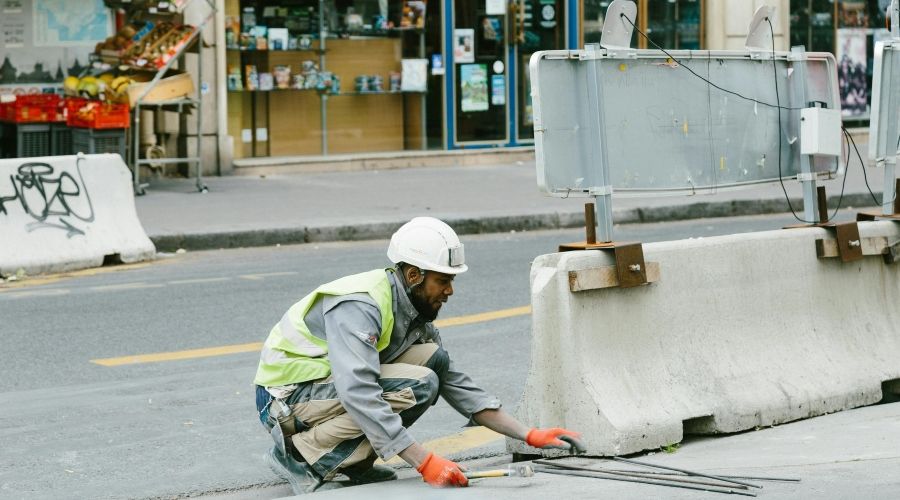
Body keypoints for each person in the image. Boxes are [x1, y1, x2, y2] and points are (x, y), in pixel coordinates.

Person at [253, 216, 581, 493]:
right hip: (285, 400)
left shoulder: (412, 311)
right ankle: (301, 457)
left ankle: (352, 463)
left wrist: (528, 434)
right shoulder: (361, 305)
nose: (450, 291)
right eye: (443, 281)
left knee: (432, 361)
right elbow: (359, 391)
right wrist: (423, 461)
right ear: (414, 276)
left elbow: (456, 383)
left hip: (321, 391)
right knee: (419, 384)